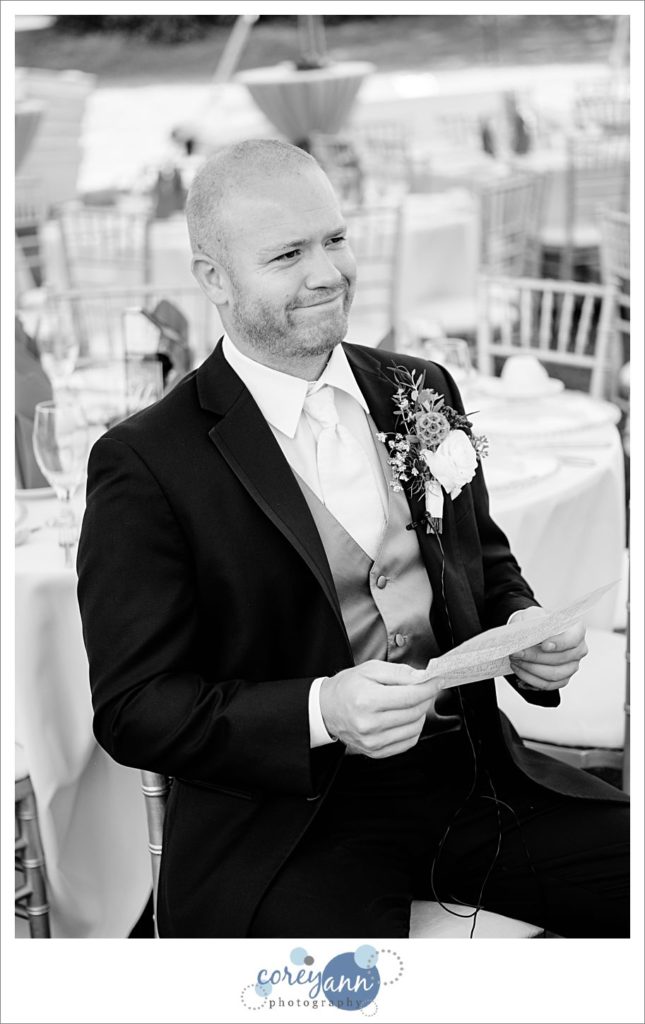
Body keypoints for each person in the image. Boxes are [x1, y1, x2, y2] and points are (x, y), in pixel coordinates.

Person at [77, 139, 628, 939]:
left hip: (474, 781)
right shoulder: (145, 462)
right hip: (291, 827)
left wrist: (524, 633)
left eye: (335, 239)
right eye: (288, 254)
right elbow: (135, 710)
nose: (327, 272)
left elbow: (488, 567)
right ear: (213, 279)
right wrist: (319, 709)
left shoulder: (419, 388)